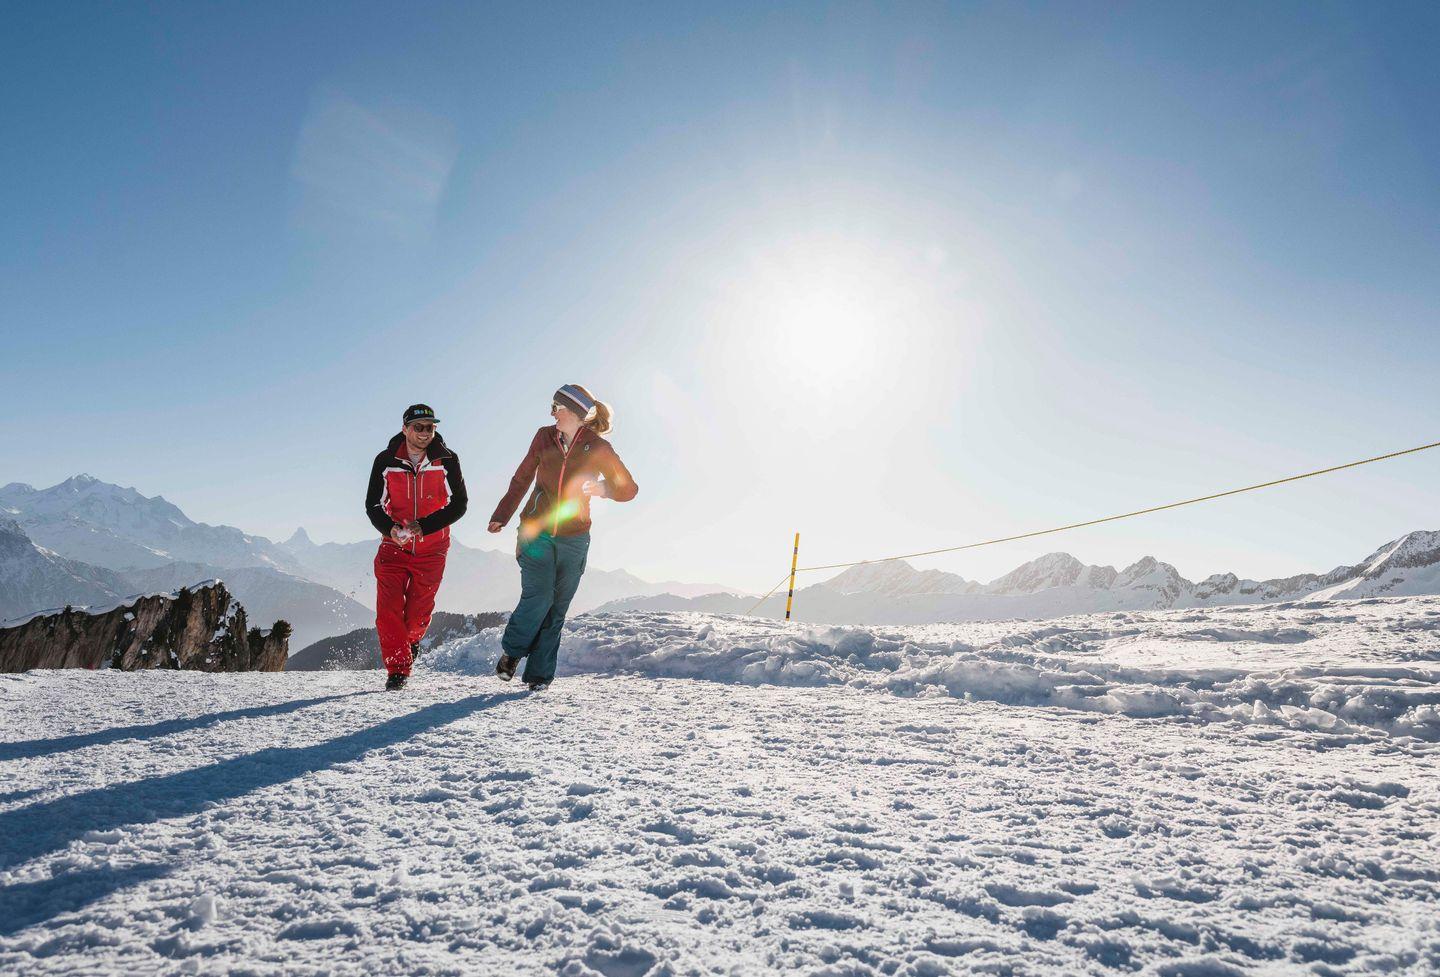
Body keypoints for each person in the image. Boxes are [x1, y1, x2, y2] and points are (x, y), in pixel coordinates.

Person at [488, 384, 637, 690]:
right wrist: (502, 514)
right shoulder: (544, 437)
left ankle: (539, 676)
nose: (552, 413)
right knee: (539, 596)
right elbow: (522, 477)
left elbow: (629, 488)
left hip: (575, 539)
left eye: (557, 408)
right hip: (535, 532)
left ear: (574, 412)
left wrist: (604, 489)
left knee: (557, 608)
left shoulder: (597, 447)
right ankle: (512, 653)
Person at [364, 404, 468, 690]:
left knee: (416, 618)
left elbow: (460, 504)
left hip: (432, 549)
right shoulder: (386, 460)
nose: (424, 433)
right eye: (418, 427)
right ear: (405, 429)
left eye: (430, 427)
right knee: (388, 611)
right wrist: (390, 529)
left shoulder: (447, 460)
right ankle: (398, 671)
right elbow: (373, 505)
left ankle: (410, 642)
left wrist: (425, 526)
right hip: (393, 547)